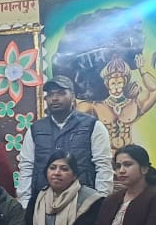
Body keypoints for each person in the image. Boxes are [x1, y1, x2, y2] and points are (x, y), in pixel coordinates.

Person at [16, 75, 112, 209]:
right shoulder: (35, 129)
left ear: (72, 96)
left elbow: (103, 166)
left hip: (82, 203)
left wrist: (100, 202)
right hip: (43, 203)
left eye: (61, 93)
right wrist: (25, 203)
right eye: (50, 95)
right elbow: (26, 167)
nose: (54, 98)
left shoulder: (93, 126)